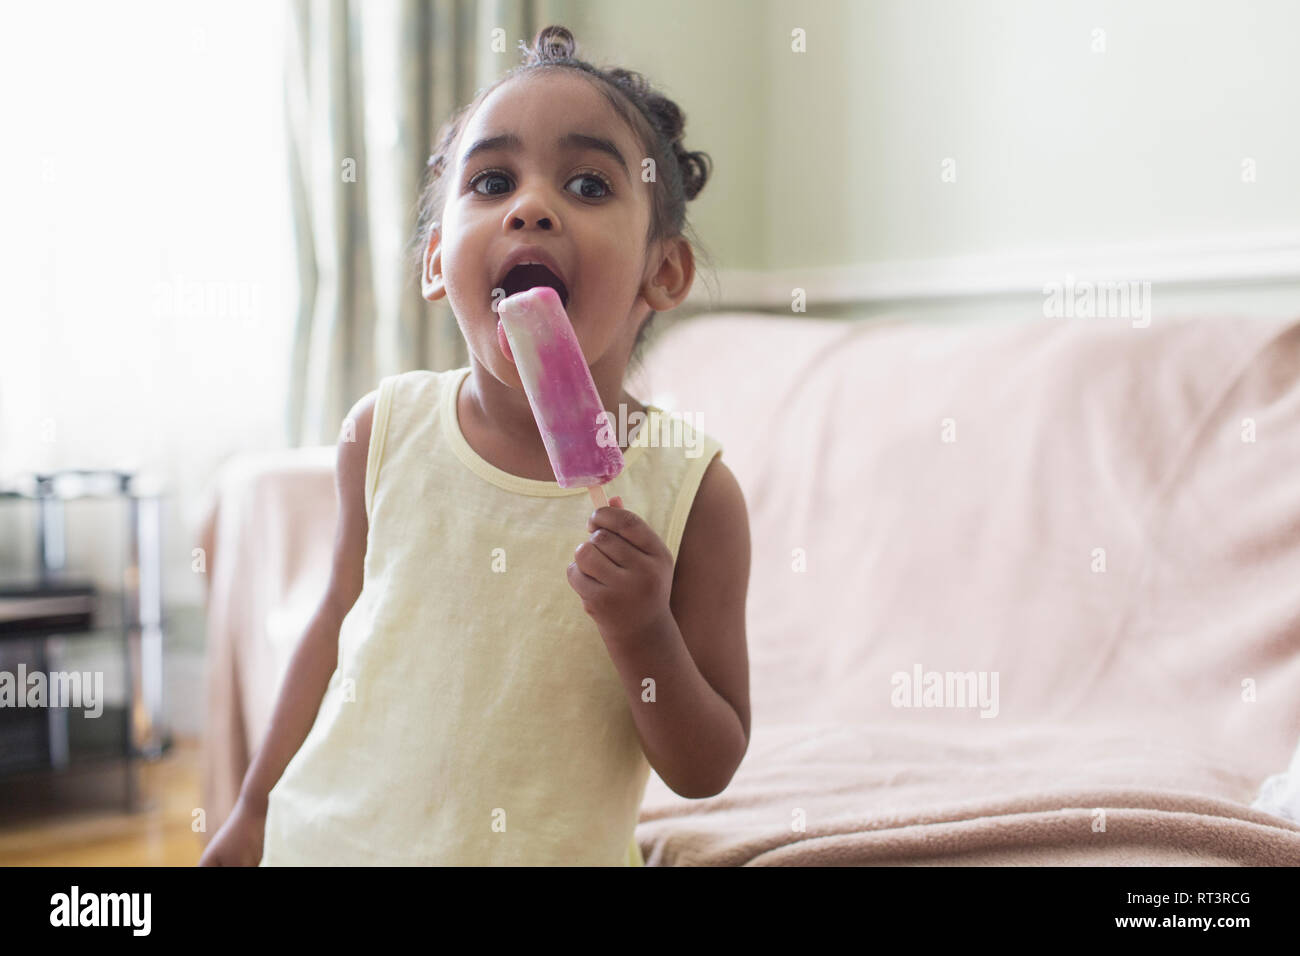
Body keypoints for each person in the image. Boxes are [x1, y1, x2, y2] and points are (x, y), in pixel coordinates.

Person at [200, 24, 750, 866]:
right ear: (434, 262)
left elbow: (707, 766)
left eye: (588, 185)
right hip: (334, 843)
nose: (530, 205)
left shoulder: (693, 495)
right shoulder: (381, 435)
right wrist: (252, 810)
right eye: (492, 181)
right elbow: (329, 636)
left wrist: (646, 634)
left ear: (663, 273)